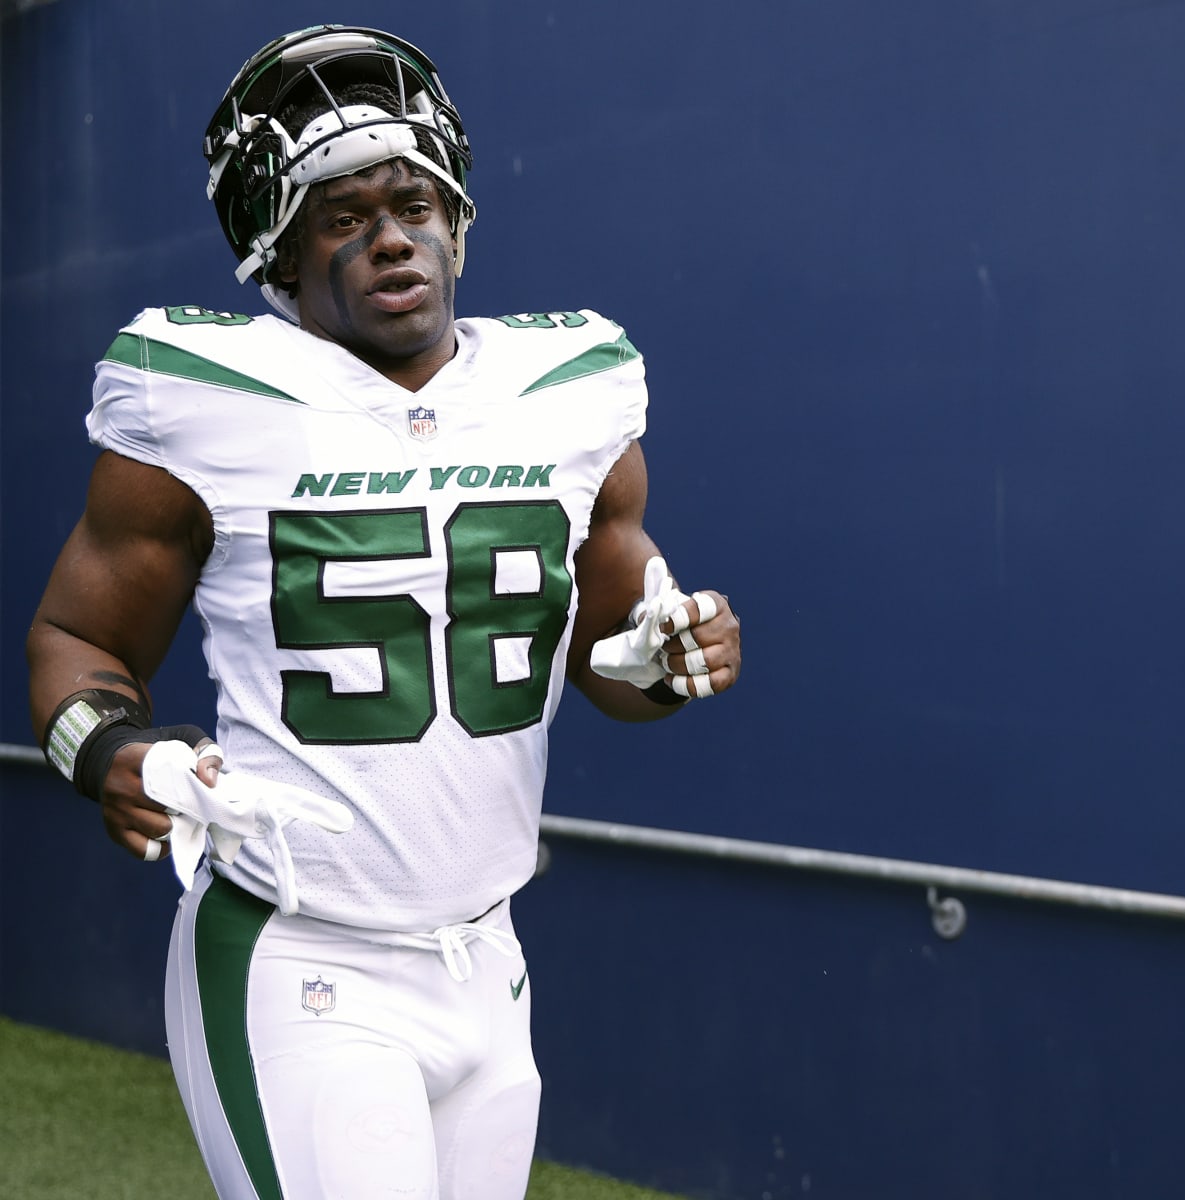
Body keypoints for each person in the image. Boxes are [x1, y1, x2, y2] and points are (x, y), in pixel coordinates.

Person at [24, 25, 741, 1200]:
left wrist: (673, 656)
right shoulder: (200, 399)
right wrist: (112, 748)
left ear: (458, 219)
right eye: (341, 217)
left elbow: (613, 665)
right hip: (299, 950)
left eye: (412, 201)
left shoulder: (570, 390)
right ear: (281, 260)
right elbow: (78, 641)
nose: (391, 235)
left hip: (487, 954)